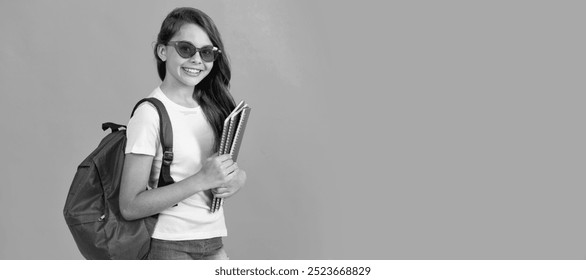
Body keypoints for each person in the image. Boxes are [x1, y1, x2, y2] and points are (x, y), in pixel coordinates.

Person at [119, 7, 246, 260]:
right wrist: (201, 179)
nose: (197, 60)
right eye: (186, 49)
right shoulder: (149, 114)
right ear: (163, 51)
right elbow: (130, 206)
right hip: (168, 246)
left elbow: (220, 171)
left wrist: (238, 178)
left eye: (207, 53)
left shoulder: (213, 108)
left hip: (213, 241)